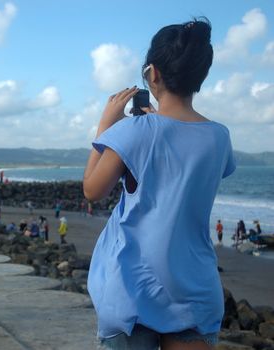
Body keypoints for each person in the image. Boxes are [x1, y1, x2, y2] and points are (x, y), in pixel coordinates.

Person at [83, 18, 235, 349]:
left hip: (131, 289)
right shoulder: (220, 137)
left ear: (152, 73)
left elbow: (92, 190)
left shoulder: (134, 131)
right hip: (195, 289)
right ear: (201, 74)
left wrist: (106, 127)